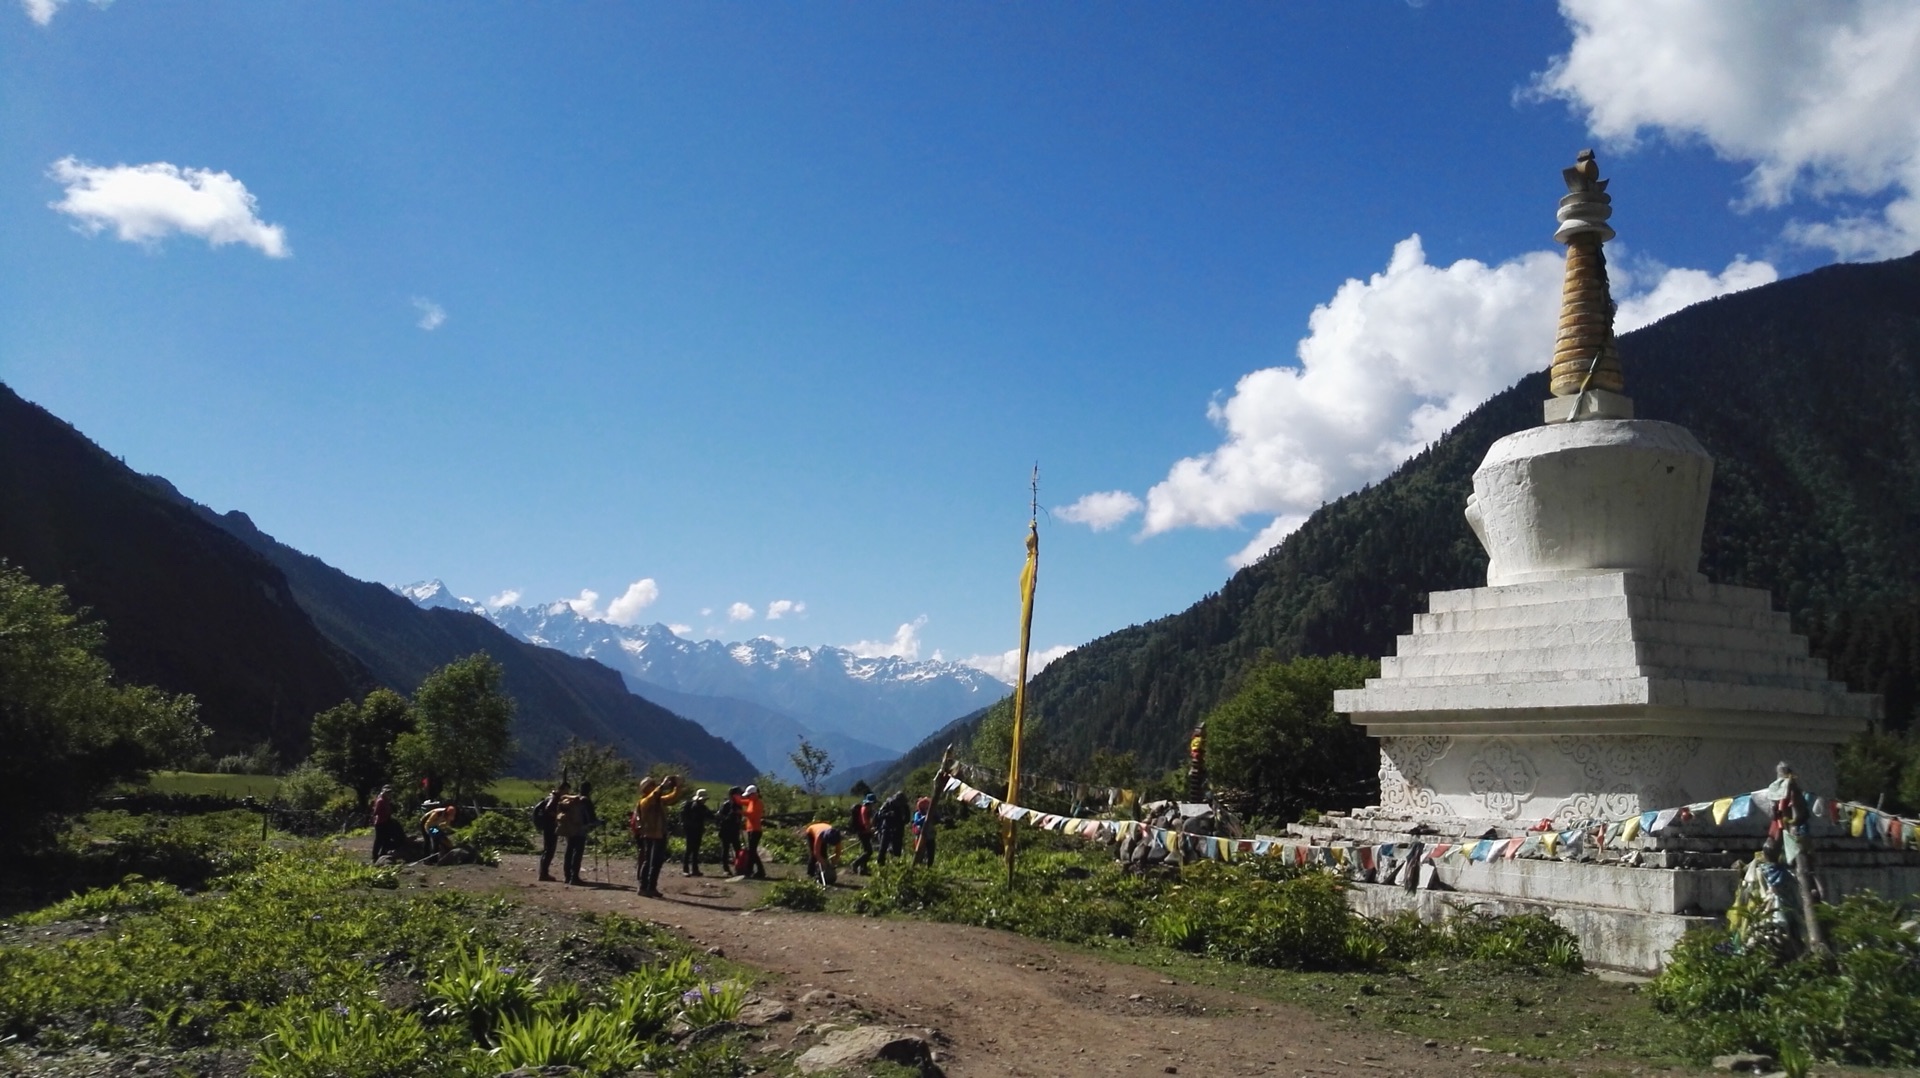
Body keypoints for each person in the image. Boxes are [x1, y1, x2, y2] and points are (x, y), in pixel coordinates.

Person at [630, 775, 681, 896]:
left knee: (657, 862)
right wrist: (662, 785)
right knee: (648, 862)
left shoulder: (659, 800)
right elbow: (653, 796)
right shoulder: (644, 801)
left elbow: (673, 797)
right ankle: (643, 887)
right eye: (652, 785)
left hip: (660, 834)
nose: (654, 786)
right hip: (649, 835)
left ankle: (652, 887)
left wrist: (677, 786)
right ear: (646, 789)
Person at [555, 782, 599, 885]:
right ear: (589, 790)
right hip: (580, 829)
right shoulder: (586, 800)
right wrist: (599, 822)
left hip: (569, 828)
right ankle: (574, 877)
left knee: (569, 851)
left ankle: (567, 876)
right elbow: (592, 818)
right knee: (577, 852)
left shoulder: (573, 799)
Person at [533, 781, 570, 882]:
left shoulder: (551, 796)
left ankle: (543, 873)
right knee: (549, 849)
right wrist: (557, 817)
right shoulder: (555, 798)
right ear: (563, 789)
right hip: (550, 826)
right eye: (567, 790)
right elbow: (548, 809)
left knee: (547, 849)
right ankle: (544, 874)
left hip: (547, 826)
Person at [730, 784, 767, 879]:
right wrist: (735, 797)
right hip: (751, 830)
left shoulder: (758, 803)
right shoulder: (751, 801)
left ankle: (758, 871)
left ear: (754, 794)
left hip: (756, 830)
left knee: (752, 851)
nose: (748, 797)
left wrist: (740, 812)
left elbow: (752, 815)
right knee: (752, 851)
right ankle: (752, 870)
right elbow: (741, 801)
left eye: (749, 795)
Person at [680, 788, 714, 876]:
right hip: (692, 830)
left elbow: (710, 815)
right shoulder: (697, 807)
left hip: (695, 830)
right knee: (690, 849)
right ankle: (687, 869)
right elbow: (709, 816)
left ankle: (692, 869)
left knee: (694, 850)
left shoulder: (700, 807)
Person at [802, 821, 843, 886]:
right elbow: (816, 852)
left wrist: (834, 863)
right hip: (811, 831)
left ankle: (823, 875)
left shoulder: (837, 837)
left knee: (824, 854)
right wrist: (823, 863)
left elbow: (838, 852)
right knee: (813, 856)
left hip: (825, 827)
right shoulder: (819, 836)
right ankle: (810, 874)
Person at [370, 785, 404, 862]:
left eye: (390, 792)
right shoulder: (381, 801)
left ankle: (382, 853)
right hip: (380, 822)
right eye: (387, 792)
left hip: (386, 821)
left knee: (386, 838)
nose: (389, 794)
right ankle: (375, 855)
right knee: (379, 839)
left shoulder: (386, 800)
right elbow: (376, 812)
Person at [715, 786, 744, 872]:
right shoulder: (726, 805)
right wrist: (728, 818)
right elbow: (720, 816)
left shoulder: (738, 805)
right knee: (726, 849)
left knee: (738, 849)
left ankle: (739, 867)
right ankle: (726, 869)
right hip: (726, 830)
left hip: (734, 830)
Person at [875, 790, 907, 865]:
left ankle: (896, 866)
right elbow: (880, 815)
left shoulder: (904, 806)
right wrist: (888, 814)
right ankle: (880, 864)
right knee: (883, 847)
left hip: (898, 829)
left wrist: (903, 820)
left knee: (897, 849)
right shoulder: (888, 803)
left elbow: (907, 818)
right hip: (887, 828)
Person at [847, 793, 877, 874]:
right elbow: (865, 823)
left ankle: (863, 869)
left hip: (864, 832)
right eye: (873, 803)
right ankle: (855, 863)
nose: (874, 804)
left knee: (866, 851)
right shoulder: (864, 809)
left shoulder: (866, 809)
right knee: (869, 852)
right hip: (863, 833)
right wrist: (871, 830)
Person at [911, 795, 936, 867]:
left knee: (931, 853)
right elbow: (916, 822)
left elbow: (937, 819)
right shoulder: (918, 814)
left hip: (930, 836)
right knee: (920, 853)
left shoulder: (931, 813)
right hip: (921, 836)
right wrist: (925, 817)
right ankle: (918, 867)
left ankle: (929, 867)